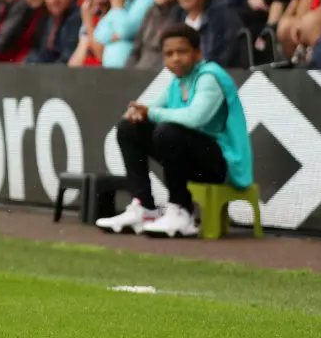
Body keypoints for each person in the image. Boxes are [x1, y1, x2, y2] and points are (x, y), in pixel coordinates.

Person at [96, 24, 253, 238]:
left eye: (182, 51)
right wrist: (135, 114)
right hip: (191, 159)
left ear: (198, 53)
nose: (175, 58)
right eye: (169, 54)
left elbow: (195, 117)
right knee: (129, 128)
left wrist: (149, 112)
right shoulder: (177, 82)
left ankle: (182, 211)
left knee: (168, 131)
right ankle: (145, 207)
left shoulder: (209, 77)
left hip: (220, 165)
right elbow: (148, 110)